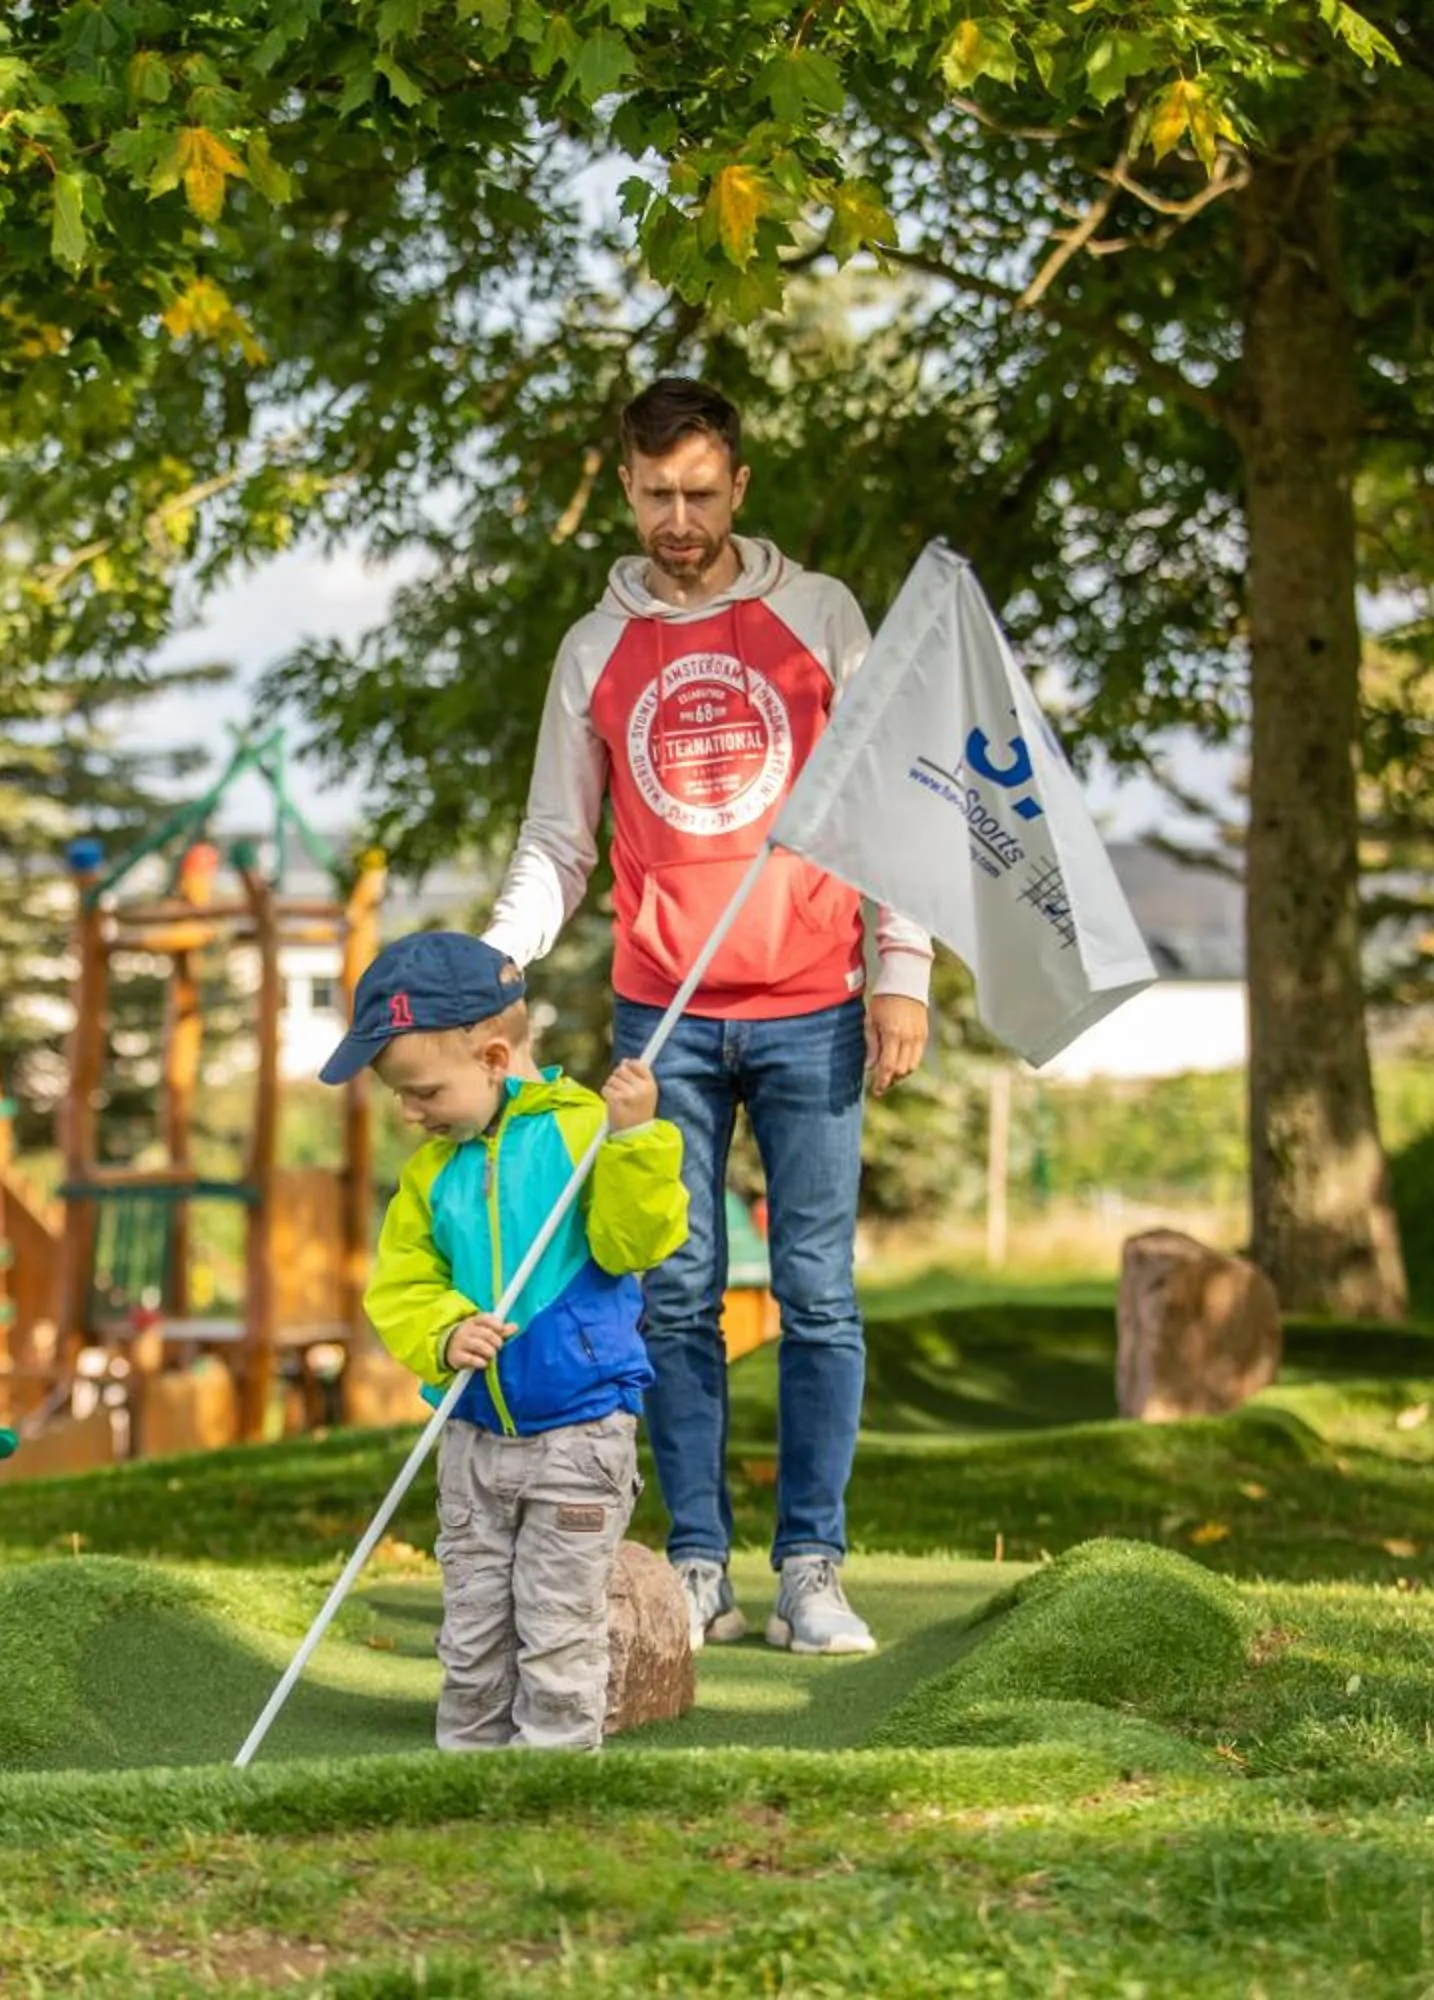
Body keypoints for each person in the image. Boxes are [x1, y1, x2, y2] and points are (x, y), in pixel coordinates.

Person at [478, 377, 932, 1659]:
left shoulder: (820, 616)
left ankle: (812, 1566)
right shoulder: (594, 647)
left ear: (739, 484)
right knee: (672, 1295)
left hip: (815, 1009)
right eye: (656, 493)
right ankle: (696, 1565)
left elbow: (888, 803)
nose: (680, 518)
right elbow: (560, 843)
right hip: (659, 1018)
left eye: (701, 491)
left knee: (817, 1291)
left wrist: (904, 965)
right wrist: (496, 954)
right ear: (625, 488)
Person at [327, 931, 691, 1751]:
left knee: (558, 1624)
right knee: (472, 1632)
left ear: (494, 1057)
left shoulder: (583, 1130)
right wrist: (445, 1329)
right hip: (473, 1436)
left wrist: (636, 1141)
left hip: (577, 1430)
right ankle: (469, 1772)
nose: (408, 1112)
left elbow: (636, 1244)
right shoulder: (431, 1172)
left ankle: (553, 1781)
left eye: (421, 1091)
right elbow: (402, 1283)